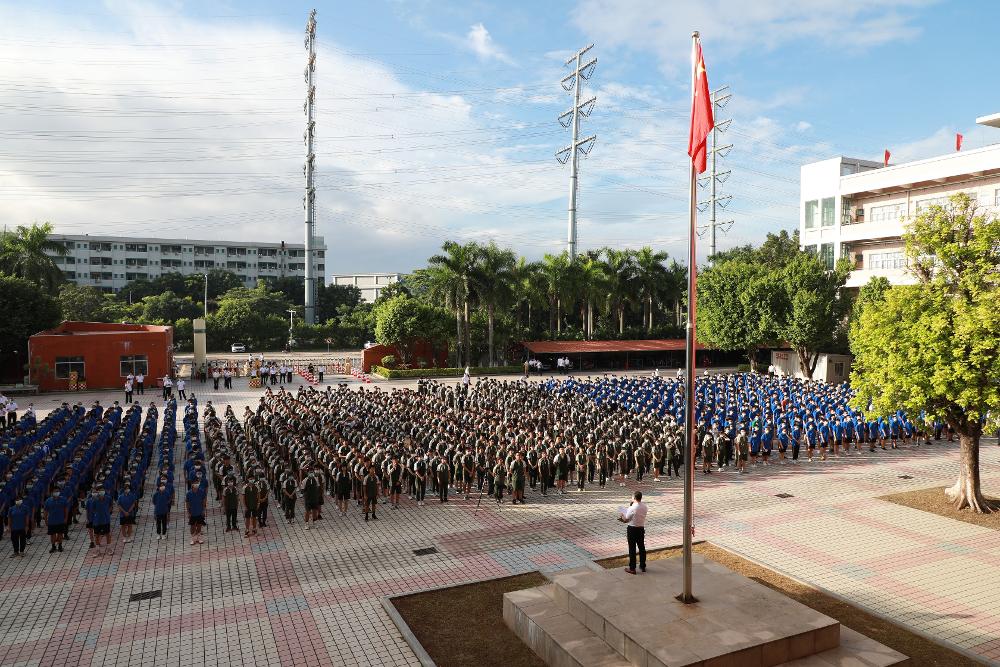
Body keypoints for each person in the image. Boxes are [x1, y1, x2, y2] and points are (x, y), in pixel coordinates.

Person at [618, 490, 647, 575]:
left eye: (632, 497)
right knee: (642, 547)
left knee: (632, 548)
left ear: (634, 498)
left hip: (632, 529)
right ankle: (643, 565)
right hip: (641, 528)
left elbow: (626, 519)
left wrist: (622, 516)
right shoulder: (644, 506)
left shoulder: (632, 507)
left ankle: (632, 568)